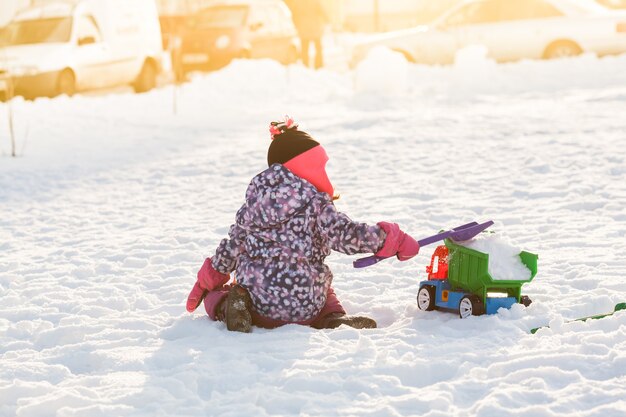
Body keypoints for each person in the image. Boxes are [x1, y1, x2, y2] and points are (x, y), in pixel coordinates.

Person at [186, 117, 420, 332]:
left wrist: (207, 281)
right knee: (324, 288)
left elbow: (230, 250)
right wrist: (392, 239)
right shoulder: (317, 204)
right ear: (308, 166)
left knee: (214, 296)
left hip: (259, 306)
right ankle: (332, 316)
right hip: (307, 305)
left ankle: (230, 306)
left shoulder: (253, 207)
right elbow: (347, 234)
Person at [284, 0, 329, 69]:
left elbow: (294, 14)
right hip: (315, 28)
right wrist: (326, 21)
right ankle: (318, 66)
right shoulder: (315, 1)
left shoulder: (298, 2)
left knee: (305, 49)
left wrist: (297, 25)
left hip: (303, 29)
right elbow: (323, 11)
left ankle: (305, 66)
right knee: (318, 48)